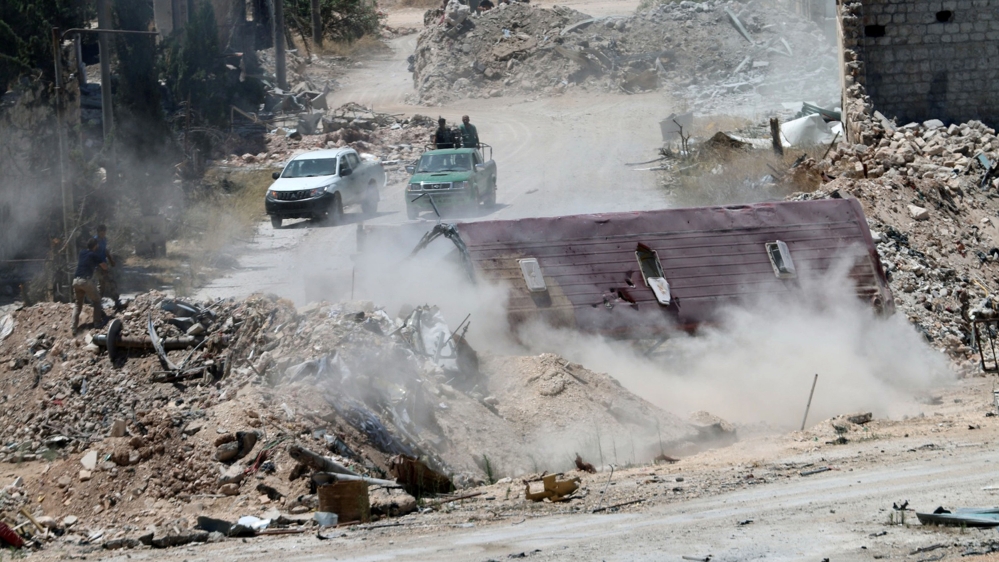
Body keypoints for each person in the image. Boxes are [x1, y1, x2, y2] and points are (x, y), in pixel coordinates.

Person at [71, 238, 107, 334]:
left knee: (78, 305)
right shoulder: (95, 255)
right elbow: (104, 266)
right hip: (85, 281)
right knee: (97, 300)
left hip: (75, 281)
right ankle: (97, 323)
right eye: (97, 245)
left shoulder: (82, 253)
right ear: (95, 246)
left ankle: (73, 328)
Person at [93, 224, 122, 310]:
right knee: (110, 281)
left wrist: (110, 260)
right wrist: (101, 266)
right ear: (98, 232)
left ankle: (97, 304)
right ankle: (116, 301)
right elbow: (93, 254)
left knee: (102, 285)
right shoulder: (95, 241)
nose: (103, 234)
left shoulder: (104, 240)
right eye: (102, 232)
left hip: (104, 264)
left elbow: (105, 250)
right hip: (98, 266)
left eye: (104, 232)